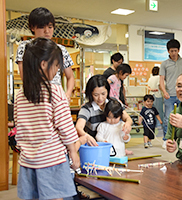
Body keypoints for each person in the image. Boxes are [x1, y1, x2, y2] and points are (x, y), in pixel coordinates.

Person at [14, 38, 79, 200]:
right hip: (52, 160)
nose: (57, 70)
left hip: (27, 161)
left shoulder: (20, 95)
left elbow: (18, 127)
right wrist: (73, 152)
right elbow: (65, 127)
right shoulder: (55, 91)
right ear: (44, 64)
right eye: (56, 66)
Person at [15, 7, 75, 102]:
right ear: (32, 27)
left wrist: (67, 94)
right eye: (42, 27)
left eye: (50, 27)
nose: (47, 31)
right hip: (34, 96)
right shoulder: (25, 46)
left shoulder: (60, 49)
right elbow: (24, 75)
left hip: (56, 96)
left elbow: (70, 76)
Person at [75, 74, 133, 147]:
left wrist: (128, 123)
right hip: (95, 146)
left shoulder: (114, 103)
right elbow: (78, 127)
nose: (100, 98)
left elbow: (128, 118)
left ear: (108, 91)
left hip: (115, 145)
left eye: (103, 94)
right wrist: (86, 136)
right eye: (96, 95)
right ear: (90, 94)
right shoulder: (87, 108)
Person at [159, 39, 182, 148]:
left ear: (179, 50)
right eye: (171, 51)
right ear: (168, 51)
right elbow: (161, 80)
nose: (173, 53)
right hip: (170, 95)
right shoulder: (164, 64)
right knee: (168, 117)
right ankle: (166, 139)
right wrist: (164, 92)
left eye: (175, 51)